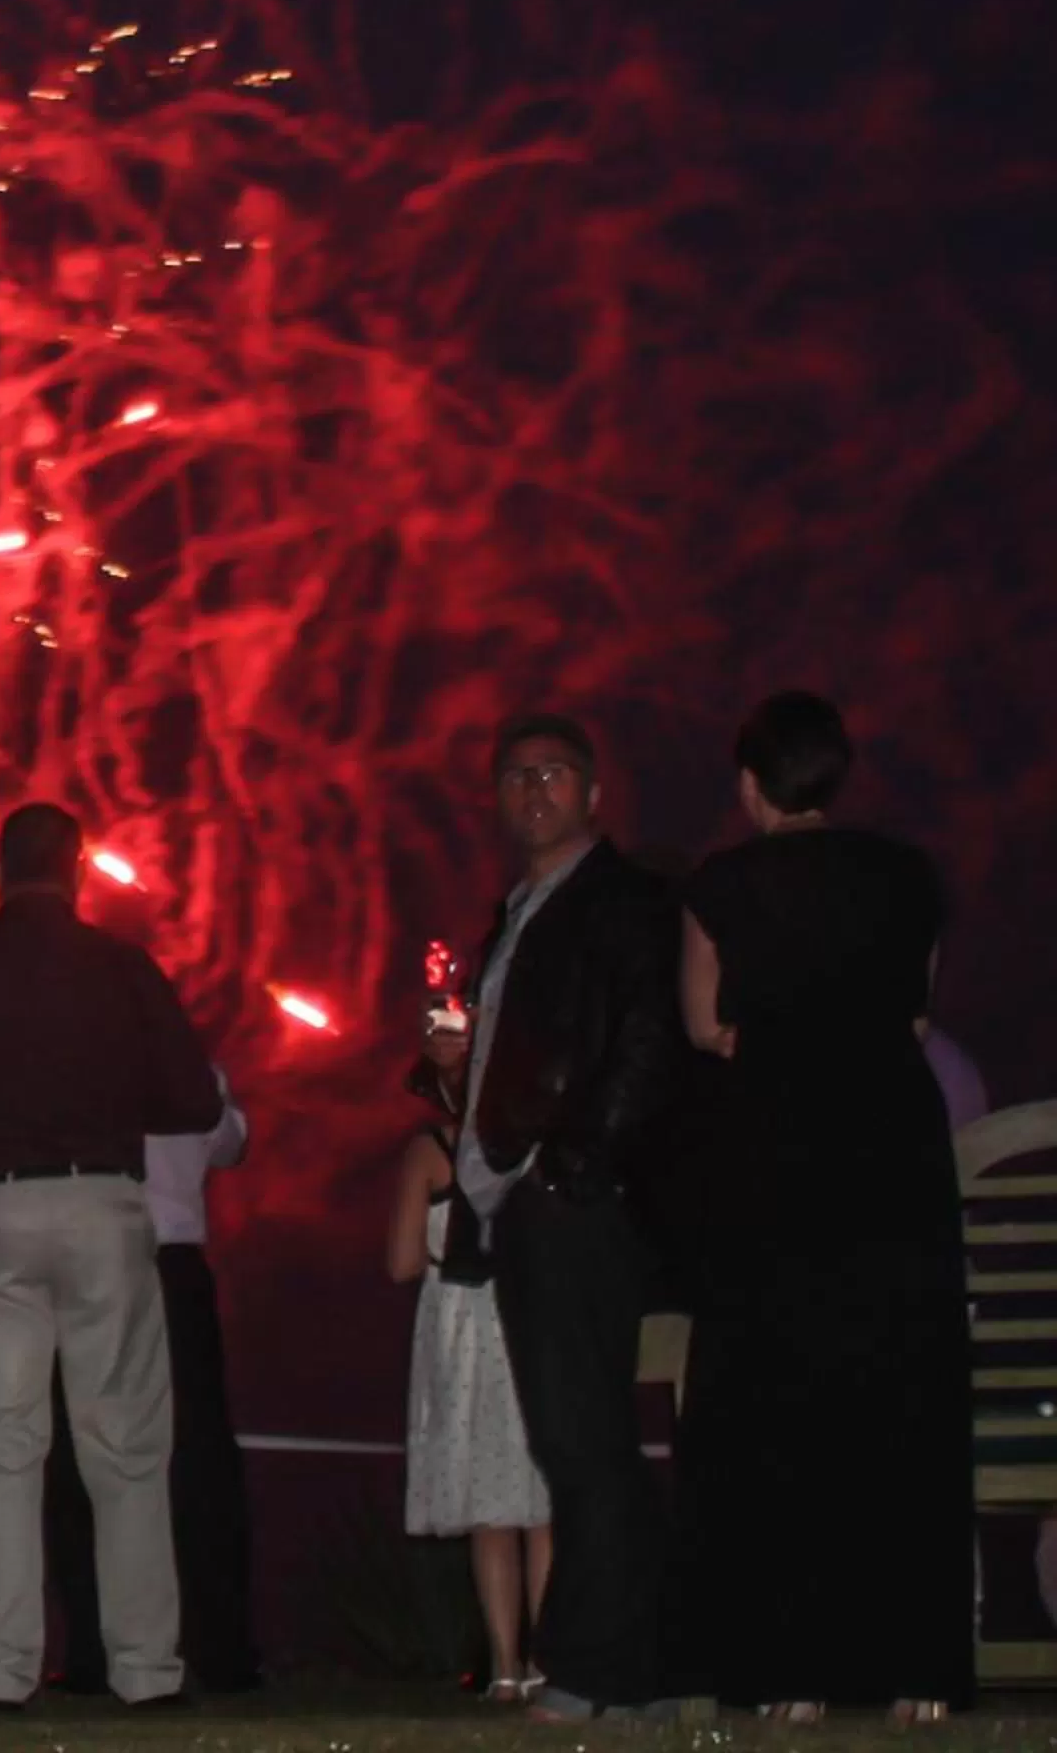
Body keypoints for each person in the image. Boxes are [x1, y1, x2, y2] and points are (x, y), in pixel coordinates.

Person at [0, 802, 219, 1710]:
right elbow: (195, 1100)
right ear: (79, 867)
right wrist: (111, 1091)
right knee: (128, 1452)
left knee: (1, 1457)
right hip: (104, 1205)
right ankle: (146, 1670)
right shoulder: (121, 968)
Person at [673, 692, 969, 1720]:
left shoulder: (722, 882)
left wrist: (770, 1037)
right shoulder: (907, 874)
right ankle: (918, 1669)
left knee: (776, 1395)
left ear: (752, 785)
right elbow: (917, 1011)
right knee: (901, 1386)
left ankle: (787, 1669)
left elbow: (703, 1023)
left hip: (776, 1144)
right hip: (890, 1145)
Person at [439, 712, 684, 1721]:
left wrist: (573, 1165)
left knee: (584, 1435)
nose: (532, 789)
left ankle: (603, 1668)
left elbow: (648, 1040)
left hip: (570, 1198)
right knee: (571, 1436)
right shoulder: (519, 914)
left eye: (552, 773)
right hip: (527, 1193)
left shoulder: (623, 901)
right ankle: (620, 1666)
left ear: (592, 792)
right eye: (515, 775)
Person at [48, 1073, 260, 1695]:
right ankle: (216, 1647)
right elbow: (231, 1141)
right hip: (169, 1262)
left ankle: (96, 1648)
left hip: (99, 1261)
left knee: (87, 1453)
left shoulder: (81, 1059)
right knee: (194, 1459)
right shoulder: (192, 1068)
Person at [388, 1060, 548, 1701]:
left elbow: (402, 1262)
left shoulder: (429, 1152)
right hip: (528, 1314)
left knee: (491, 1508)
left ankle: (506, 1668)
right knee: (540, 1502)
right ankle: (546, 1661)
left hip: (462, 1324)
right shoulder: (536, 1148)